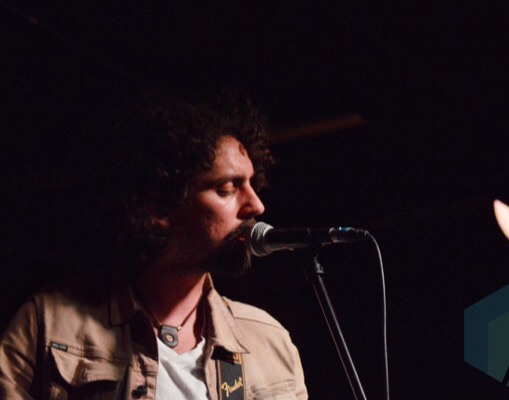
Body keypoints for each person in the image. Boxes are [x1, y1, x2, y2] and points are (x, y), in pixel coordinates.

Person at [0, 92, 308, 399]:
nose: (257, 205)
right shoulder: (47, 323)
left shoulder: (271, 343)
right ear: (160, 207)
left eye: (252, 184)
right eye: (227, 188)